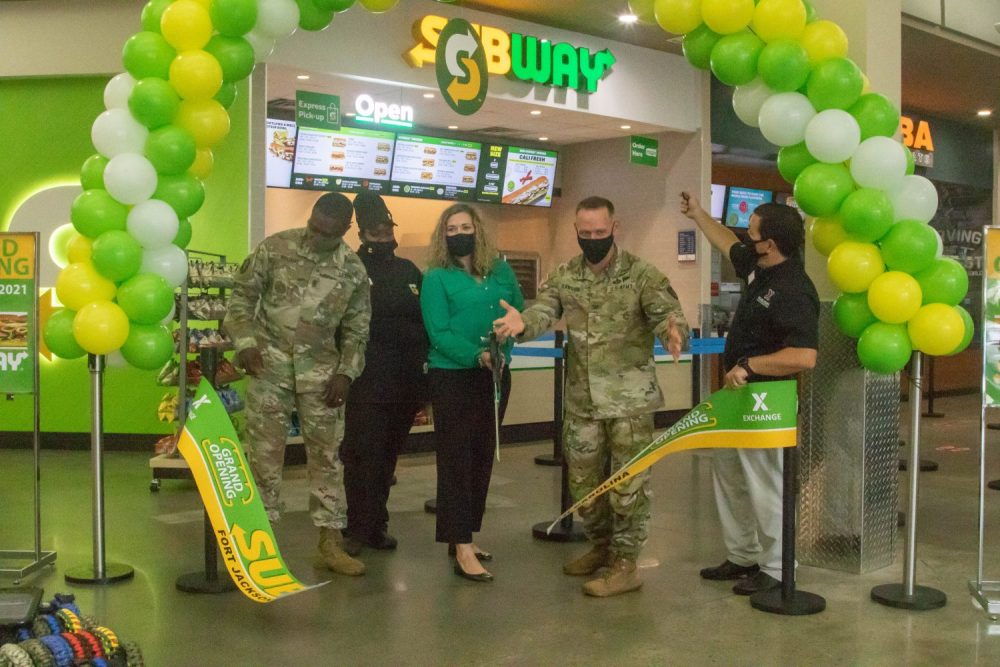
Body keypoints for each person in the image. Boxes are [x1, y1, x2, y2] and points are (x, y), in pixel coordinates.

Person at [493, 196, 688, 597]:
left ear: (615, 228)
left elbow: (665, 312)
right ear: (577, 232)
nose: (594, 239)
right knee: (584, 483)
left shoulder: (642, 275)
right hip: (582, 403)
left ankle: (626, 563)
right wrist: (521, 323)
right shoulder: (566, 276)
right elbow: (544, 310)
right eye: (586, 234)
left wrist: (673, 330)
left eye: (601, 232)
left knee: (627, 485)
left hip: (630, 403)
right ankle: (601, 548)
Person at [679, 192, 818, 596]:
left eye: (752, 232)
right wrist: (698, 215)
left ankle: (777, 567)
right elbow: (726, 242)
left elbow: (804, 356)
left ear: (770, 244)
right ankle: (743, 555)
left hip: (767, 402)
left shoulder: (794, 288)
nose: (745, 238)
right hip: (736, 396)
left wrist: (752, 365)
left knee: (766, 483)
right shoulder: (759, 267)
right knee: (731, 475)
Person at [225, 191, 371, 577]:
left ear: (345, 229)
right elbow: (241, 299)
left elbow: (357, 328)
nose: (317, 238)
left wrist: (346, 373)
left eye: (328, 234)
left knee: (326, 460)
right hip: (268, 369)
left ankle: (329, 544)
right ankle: (259, 544)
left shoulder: (353, 270)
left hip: (321, 377)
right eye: (314, 228)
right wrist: (246, 343)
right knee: (263, 460)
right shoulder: (275, 249)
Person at [420, 203, 524, 583]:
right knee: (456, 460)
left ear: (477, 231)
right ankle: (459, 543)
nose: (459, 234)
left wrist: (503, 348)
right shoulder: (436, 278)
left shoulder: (500, 270)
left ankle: (466, 534)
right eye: (451, 229)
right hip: (453, 378)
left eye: (465, 226)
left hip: (494, 374)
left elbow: (518, 312)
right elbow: (438, 332)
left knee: (482, 457)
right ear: (443, 235)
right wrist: (475, 355)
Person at [340, 192, 428, 555]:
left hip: (404, 384)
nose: (382, 237)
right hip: (364, 382)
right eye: (374, 232)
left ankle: (377, 523)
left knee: (388, 458)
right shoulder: (348, 268)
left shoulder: (408, 271)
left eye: (386, 230)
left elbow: (426, 321)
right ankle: (357, 528)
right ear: (361, 234)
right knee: (362, 456)